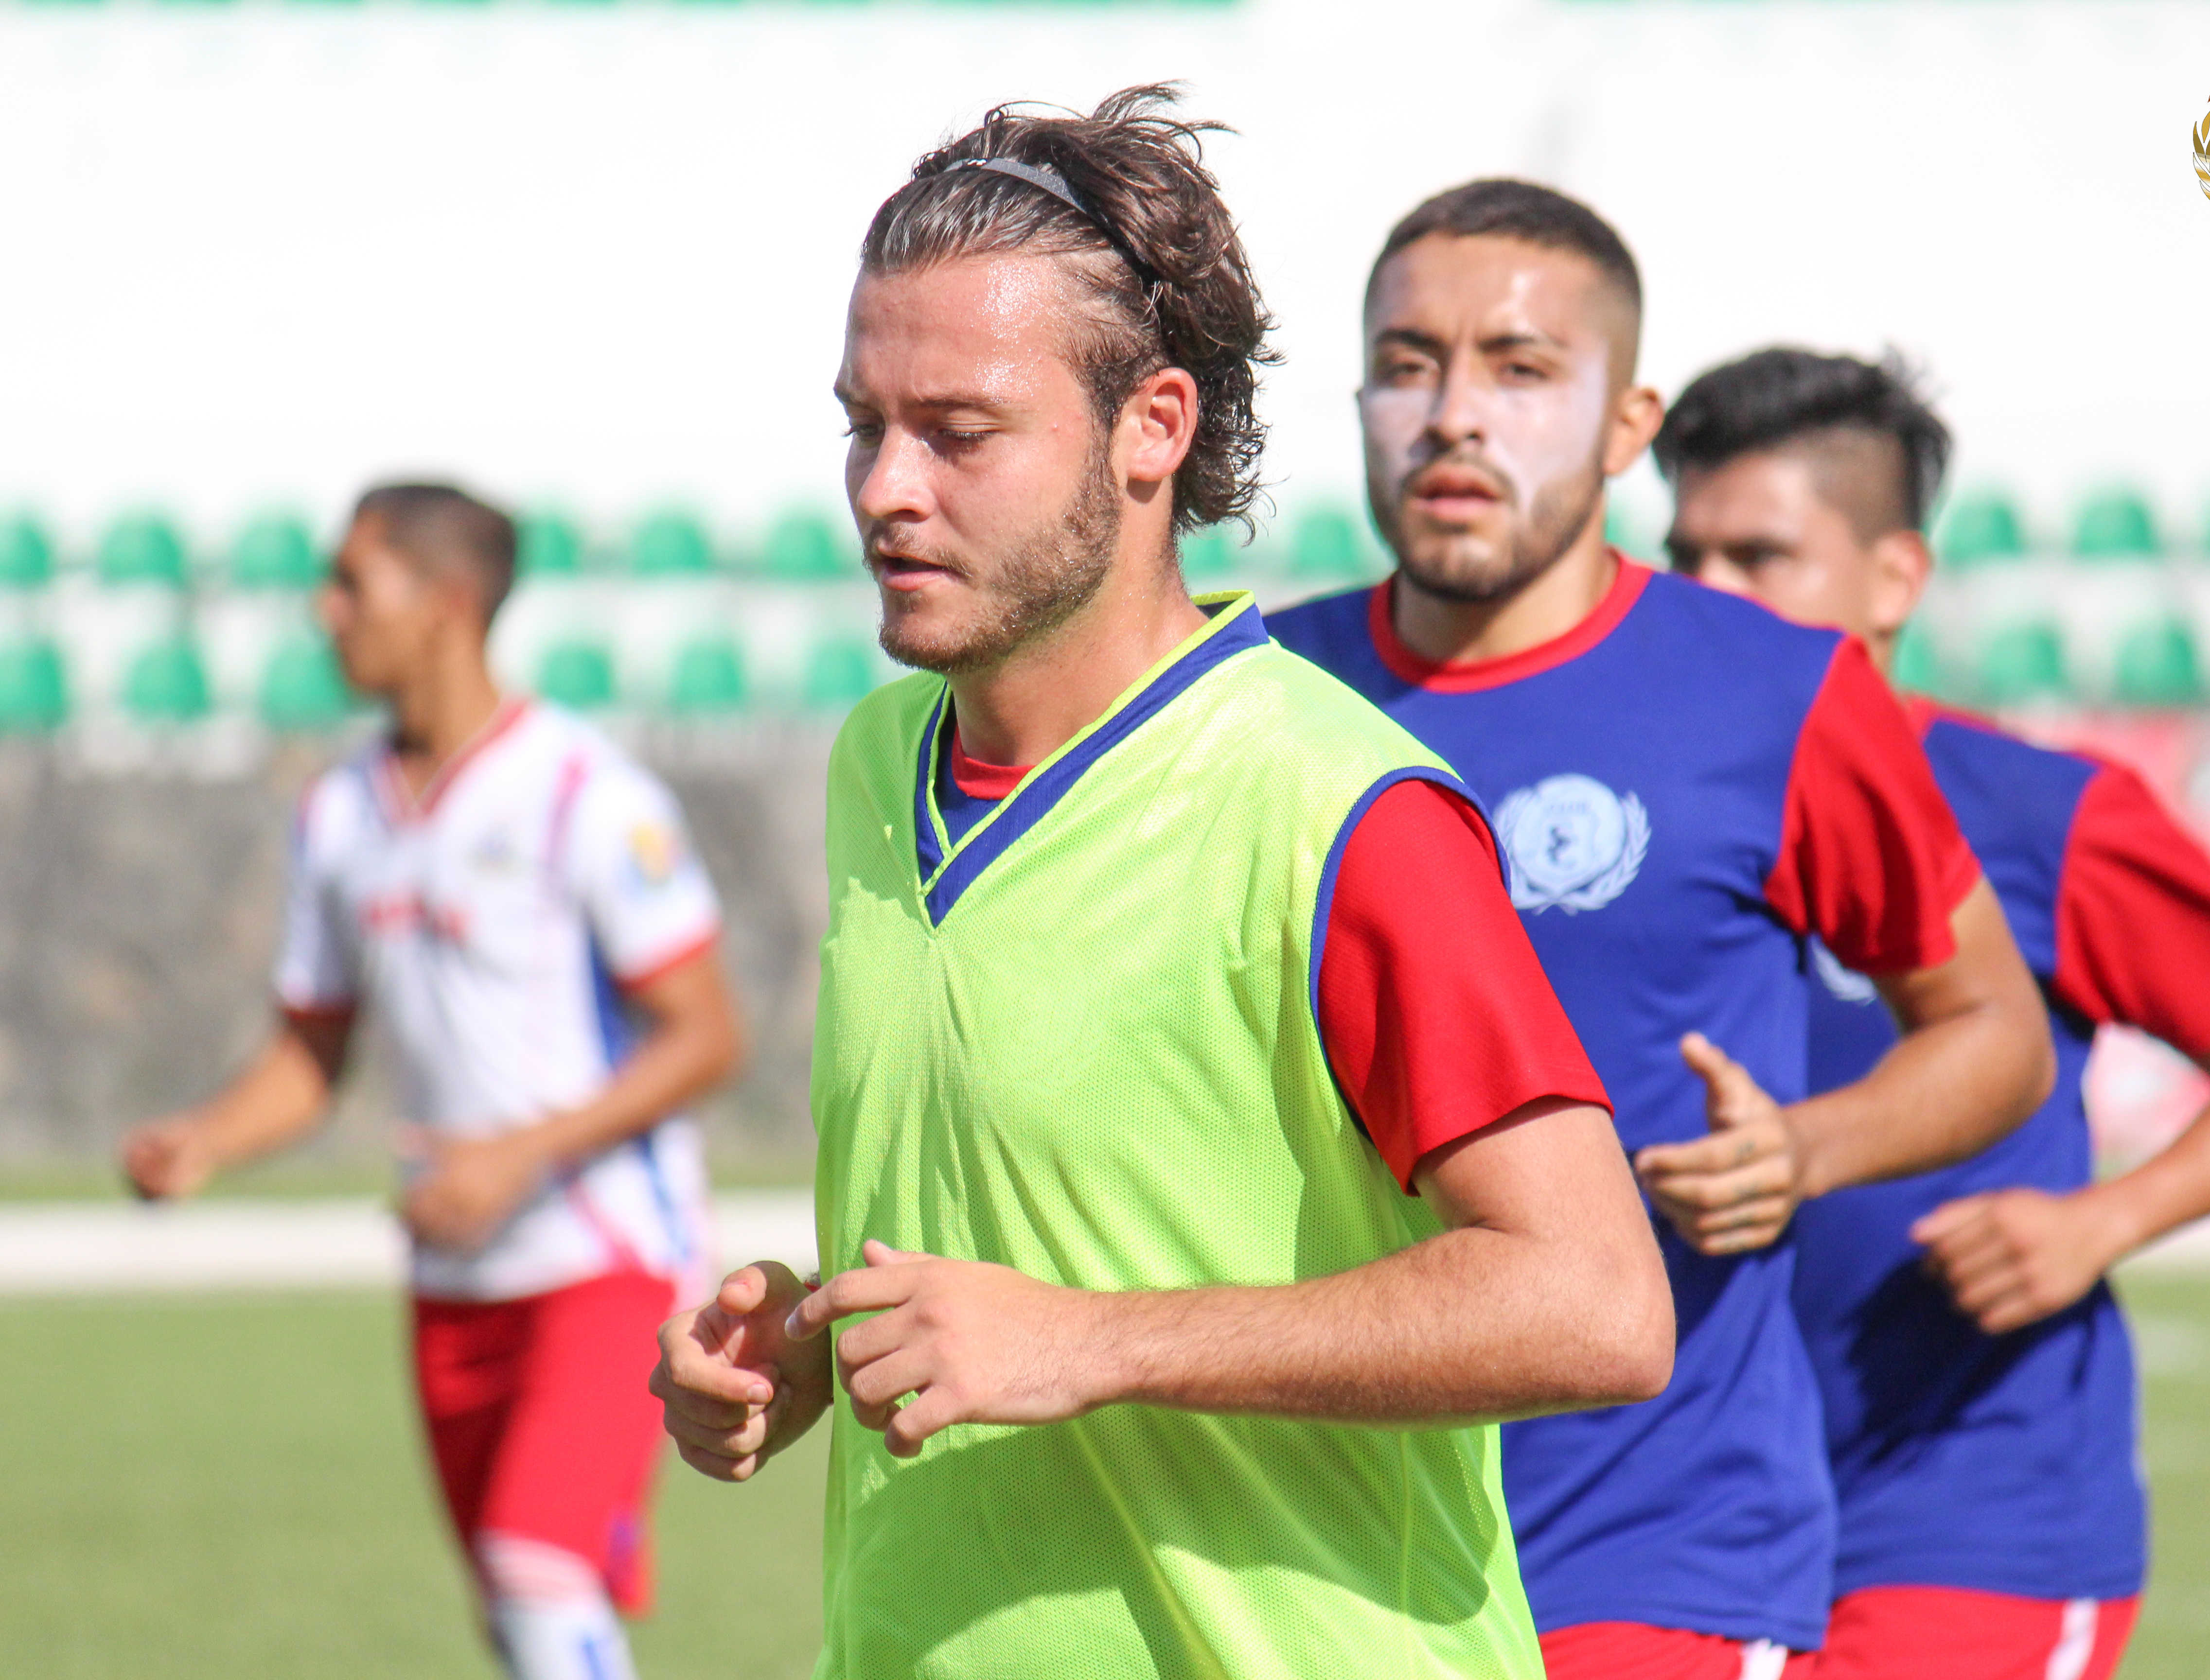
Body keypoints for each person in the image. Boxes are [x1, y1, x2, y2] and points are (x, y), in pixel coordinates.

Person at [648, 88, 1674, 1680]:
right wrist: (801, 1345)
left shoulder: (1335, 804)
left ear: (1154, 427)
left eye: (959, 432)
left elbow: (1595, 1302)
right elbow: (1012, 1237)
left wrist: (1093, 1342)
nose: (885, 488)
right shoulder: (872, 765)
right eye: (864, 424)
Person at [1268, 180, 2057, 1680]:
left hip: (1653, 1560)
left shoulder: (1780, 693)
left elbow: (1995, 1032)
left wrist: (1804, 1151)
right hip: (1326, 1554)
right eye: (1409, 364)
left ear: (1628, 424)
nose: (1453, 415)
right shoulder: (1258, 697)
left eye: (1520, 368)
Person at [1658, 347, 2210, 1680]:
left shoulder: (2038, 812)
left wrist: (2102, 1222)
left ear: (1896, 578)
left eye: (1761, 557)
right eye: (1685, 555)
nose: (1710, 595)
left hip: (1967, 1518)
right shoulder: (1646, 816)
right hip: (1695, 1516)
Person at [121, 483, 744, 1680]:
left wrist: (518, 1155)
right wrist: (204, 1139)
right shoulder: (338, 812)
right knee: (518, 1609)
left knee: (536, 1568)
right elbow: (312, 1052)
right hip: (454, 1277)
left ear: (448, 604)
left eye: (353, 583)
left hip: (604, 1261)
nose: (326, 610)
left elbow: (708, 1036)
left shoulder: (582, 793)